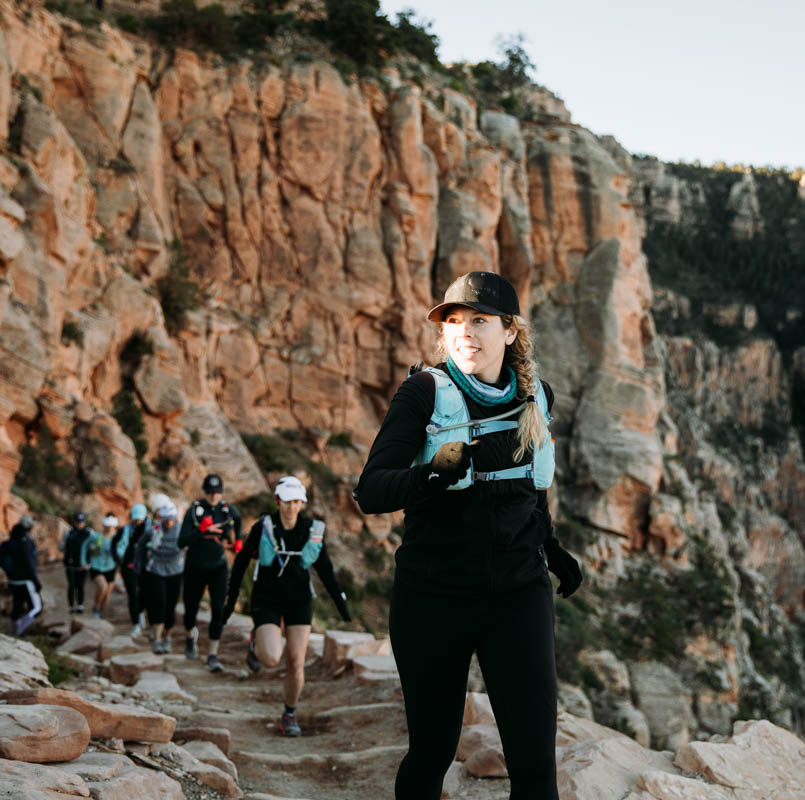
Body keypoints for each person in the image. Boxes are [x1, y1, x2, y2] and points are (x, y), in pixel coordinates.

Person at [354, 271, 584, 800]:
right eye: (454, 322)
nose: (465, 333)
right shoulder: (423, 394)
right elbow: (371, 491)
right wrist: (431, 475)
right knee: (432, 752)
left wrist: (550, 546)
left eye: (479, 320)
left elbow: (528, 486)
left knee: (534, 767)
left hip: (518, 596)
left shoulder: (535, 398)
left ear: (510, 332)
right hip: (432, 597)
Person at [224, 476, 352, 736]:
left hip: (299, 599)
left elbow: (325, 569)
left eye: (296, 501)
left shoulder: (311, 530)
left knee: (296, 661)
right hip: (267, 597)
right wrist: (231, 598)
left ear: (302, 503)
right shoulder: (264, 527)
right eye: (286, 501)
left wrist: (341, 604)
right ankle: (256, 643)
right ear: (277, 501)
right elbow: (241, 562)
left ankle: (289, 713)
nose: (291, 507)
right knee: (271, 658)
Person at [178, 473, 243, 672]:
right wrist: (201, 530)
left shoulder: (227, 511)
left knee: (218, 609)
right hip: (195, 566)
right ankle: (190, 637)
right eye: (211, 492)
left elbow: (238, 519)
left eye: (217, 492)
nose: (214, 496)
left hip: (218, 566)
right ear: (205, 492)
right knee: (190, 609)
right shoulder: (194, 511)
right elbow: (181, 541)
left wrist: (237, 540)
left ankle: (212, 654)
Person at [136, 494, 185, 654]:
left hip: (175, 572)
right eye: (166, 519)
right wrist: (139, 565)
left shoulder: (181, 531)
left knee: (171, 606)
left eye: (171, 519)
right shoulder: (154, 530)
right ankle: (156, 639)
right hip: (156, 571)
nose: (169, 522)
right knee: (160, 603)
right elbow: (140, 545)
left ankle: (167, 638)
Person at [0, 515, 43, 636]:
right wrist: (36, 581)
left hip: (12, 581)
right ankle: (19, 629)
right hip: (26, 581)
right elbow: (28, 564)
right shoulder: (26, 542)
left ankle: (15, 631)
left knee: (18, 606)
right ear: (29, 528)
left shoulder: (11, 541)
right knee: (37, 608)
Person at [114, 503, 149, 637]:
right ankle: (135, 623)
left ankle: (140, 612)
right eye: (136, 519)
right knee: (133, 594)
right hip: (127, 566)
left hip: (144, 567)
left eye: (140, 519)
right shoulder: (124, 531)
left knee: (145, 593)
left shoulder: (150, 529)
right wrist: (119, 559)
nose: (138, 522)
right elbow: (114, 544)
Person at [85, 513, 120, 618]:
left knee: (108, 591)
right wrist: (84, 560)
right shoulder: (96, 536)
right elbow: (85, 546)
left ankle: (102, 611)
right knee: (103, 587)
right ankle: (96, 607)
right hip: (97, 566)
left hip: (111, 567)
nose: (109, 528)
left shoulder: (117, 537)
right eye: (107, 525)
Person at [60, 511, 94, 614]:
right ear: (74, 522)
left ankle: (80, 605)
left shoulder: (89, 532)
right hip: (70, 564)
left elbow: (94, 547)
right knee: (71, 585)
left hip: (83, 565)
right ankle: (71, 606)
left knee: (80, 585)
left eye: (81, 522)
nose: (80, 524)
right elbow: (61, 546)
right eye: (78, 522)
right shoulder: (68, 532)